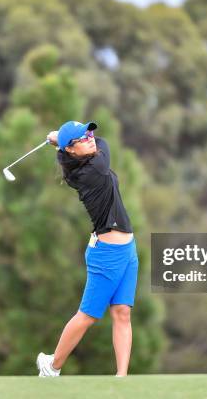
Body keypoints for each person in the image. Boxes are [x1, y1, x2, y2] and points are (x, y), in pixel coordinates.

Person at [36, 121, 139, 377]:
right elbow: (105, 145)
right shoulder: (93, 170)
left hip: (127, 250)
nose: (91, 139)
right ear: (70, 150)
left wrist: (60, 139)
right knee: (88, 315)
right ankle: (52, 366)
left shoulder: (85, 161)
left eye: (89, 133)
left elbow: (93, 143)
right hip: (107, 255)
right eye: (82, 139)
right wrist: (58, 137)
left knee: (122, 312)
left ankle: (122, 377)